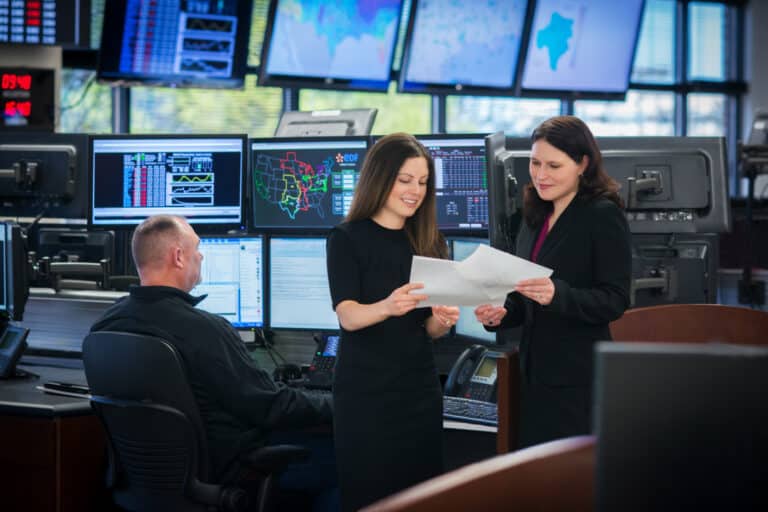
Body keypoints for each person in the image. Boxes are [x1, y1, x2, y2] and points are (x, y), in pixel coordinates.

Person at [90, 214, 337, 510]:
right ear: (179, 257)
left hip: (145, 484)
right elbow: (271, 407)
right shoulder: (203, 328)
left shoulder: (106, 324)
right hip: (226, 478)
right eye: (197, 248)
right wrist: (340, 403)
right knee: (343, 467)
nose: (201, 255)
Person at [475, 115, 632, 448]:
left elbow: (615, 299)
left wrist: (557, 295)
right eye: (534, 163)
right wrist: (504, 311)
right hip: (533, 376)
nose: (541, 175)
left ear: (583, 164)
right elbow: (524, 293)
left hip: (577, 380)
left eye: (553, 166)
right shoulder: (534, 212)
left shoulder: (602, 214)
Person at [326, 133, 460, 511]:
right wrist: (387, 305)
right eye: (405, 180)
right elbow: (348, 315)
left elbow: (428, 331)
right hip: (366, 397)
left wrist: (442, 320)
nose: (414, 191)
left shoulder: (432, 241)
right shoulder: (346, 238)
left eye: (422, 182)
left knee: (423, 497)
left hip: (417, 392)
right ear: (381, 178)